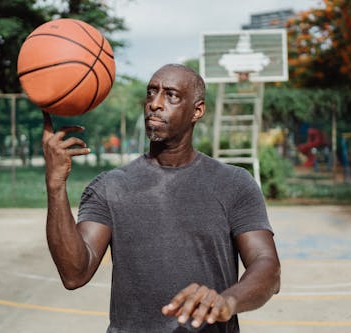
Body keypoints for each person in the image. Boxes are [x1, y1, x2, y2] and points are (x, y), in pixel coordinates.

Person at [42, 64, 280, 333]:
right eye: (151, 93)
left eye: (171, 96)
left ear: (197, 110)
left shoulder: (234, 183)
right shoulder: (111, 186)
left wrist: (228, 300)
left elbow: (267, 266)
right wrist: (56, 185)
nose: (155, 104)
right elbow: (74, 273)